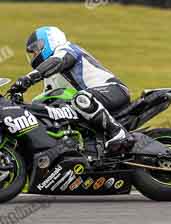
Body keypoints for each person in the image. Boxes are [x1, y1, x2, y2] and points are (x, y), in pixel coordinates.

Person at [9, 26, 133, 154]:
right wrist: (24, 107)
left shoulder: (67, 49)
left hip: (114, 90)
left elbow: (57, 61)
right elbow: (46, 100)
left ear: (50, 40)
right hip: (90, 101)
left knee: (80, 98)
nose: (35, 55)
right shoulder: (50, 76)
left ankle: (118, 133)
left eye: (36, 49)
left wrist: (28, 79)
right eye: (32, 53)